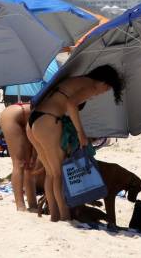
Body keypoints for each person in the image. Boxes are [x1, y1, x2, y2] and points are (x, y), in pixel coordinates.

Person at [27, 65, 124, 222]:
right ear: (104, 81)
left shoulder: (77, 80)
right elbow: (71, 104)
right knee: (58, 174)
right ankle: (64, 217)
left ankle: (54, 216)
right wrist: (81, 133)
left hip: (34, 120)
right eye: (107, 88)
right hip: (48, 119)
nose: (103, 92)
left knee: (51, 173)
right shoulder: (91, 85)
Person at [0, 103, 37, 212]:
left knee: (30, 164)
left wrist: (34, 155)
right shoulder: (56, 115)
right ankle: (20, 204)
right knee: (19, 163)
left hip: (29, 114)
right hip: (12, 115)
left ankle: (33, 204)